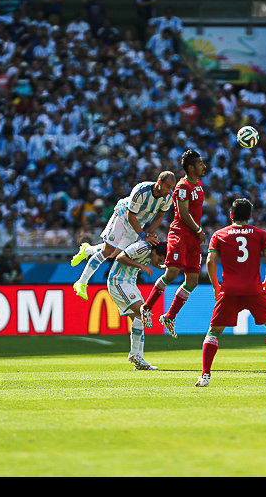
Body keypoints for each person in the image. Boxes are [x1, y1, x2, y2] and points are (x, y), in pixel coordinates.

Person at [197, 198, 266, 387]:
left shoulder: (219, 234)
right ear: (250, 216)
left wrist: (216, 286)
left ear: (230, 215)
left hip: (229, 290)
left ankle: (205, 375)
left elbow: (210, 261)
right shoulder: (260, 234)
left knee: (214, 332)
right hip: (254, 289)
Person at [71, 171, 176, 300]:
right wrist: (143, 235)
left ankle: (87, 250)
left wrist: (149, 233)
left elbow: (160, 215)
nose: (169, 190)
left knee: (113, 253)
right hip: (123, 215)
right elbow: (130, 215)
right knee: (107, 251)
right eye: (167, 186)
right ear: (159, 183)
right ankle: (81, 282)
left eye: (172, 187)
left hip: (138, 223)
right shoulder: (141, 191)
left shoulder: (169, 197)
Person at [140, 150, 207, 338]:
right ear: (191, 168)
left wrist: (197, 232)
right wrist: (198, 230)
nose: (204, 166)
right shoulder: (182, 187)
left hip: (193, 238)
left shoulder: (200, 185)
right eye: (200, 164)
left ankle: (169, 316)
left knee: (192, 280)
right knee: (172, 273)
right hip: (180, 234)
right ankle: (147, 307)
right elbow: (184, 214)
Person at [107, 240, 167, 370]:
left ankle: (138, 359)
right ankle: (134, 355)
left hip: (130, 283)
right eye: (159, 259)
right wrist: (142, 267)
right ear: (155, 251)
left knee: (139, 319)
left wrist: (163, 267)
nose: (159, 262)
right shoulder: (142, 247)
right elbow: (120, 257)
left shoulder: (150, 253)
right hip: (118, 281)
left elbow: (150, 261)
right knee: (143, 312)